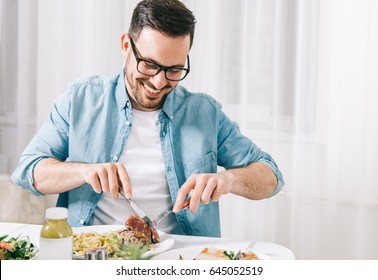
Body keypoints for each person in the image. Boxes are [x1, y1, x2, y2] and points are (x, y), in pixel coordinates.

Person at [11, 0, 284, 237]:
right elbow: (28, 171)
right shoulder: (80, 100)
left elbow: (271, 176)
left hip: (180, 262)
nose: (158, 81)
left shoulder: (205, 113)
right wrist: (84, 171)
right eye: (150, 65)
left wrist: (229, 180)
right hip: (94, 257)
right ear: (125, 46)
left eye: (174, 70)